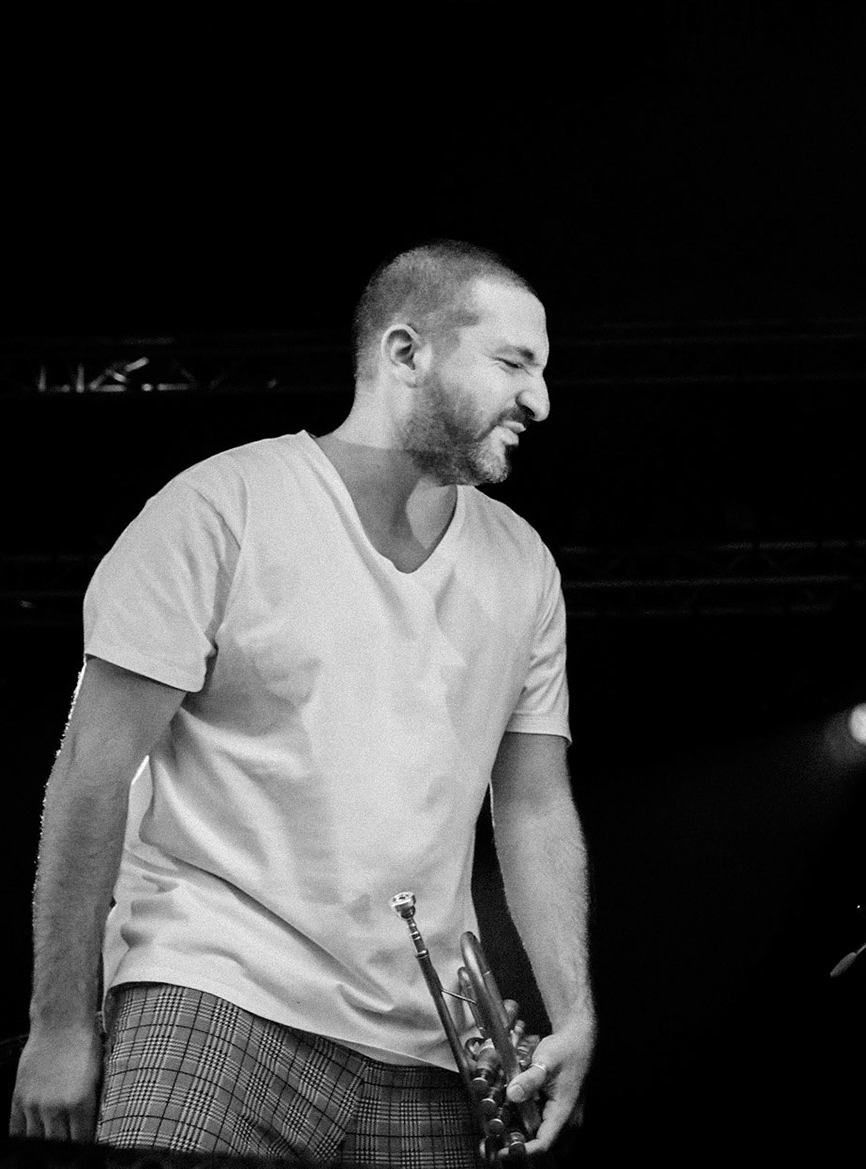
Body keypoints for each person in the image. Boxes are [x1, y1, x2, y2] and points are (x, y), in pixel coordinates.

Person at [6, 242, 596, 1166]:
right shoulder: (220, 509)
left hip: (430, 1043)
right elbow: (90, 772)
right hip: (213, 995)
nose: (540, 400)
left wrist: (575, 1011)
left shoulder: (524, 564)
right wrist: (59, 1024)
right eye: (514, 363)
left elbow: (532, 804)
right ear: (406, 353)